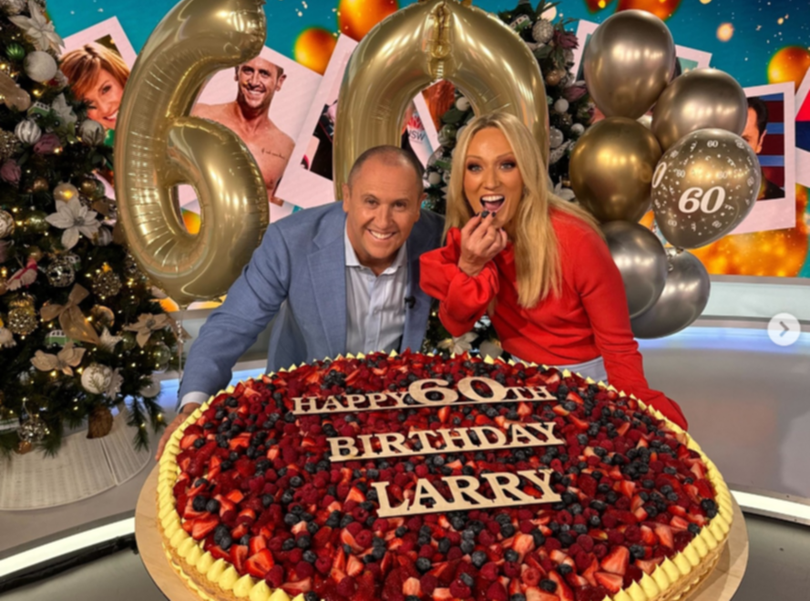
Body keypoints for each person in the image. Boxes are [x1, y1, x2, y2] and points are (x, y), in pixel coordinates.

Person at [156, 145, 444, 458]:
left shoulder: (439, 238)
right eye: (370, 201)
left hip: (398, 417)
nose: (384, 220)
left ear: (419, 205)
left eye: (399, 205)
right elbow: (231, 325)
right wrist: (192, 407)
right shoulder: (290, 241)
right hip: (304, 415)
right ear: (347, 197)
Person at [419, 112, 688, 429]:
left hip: (588, 384)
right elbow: (453, 324)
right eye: (475, 167)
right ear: (463, 179)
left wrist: (647, 420)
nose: (490, 181)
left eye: (507, 164)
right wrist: (470, 266)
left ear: (527, 172)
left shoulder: (577, 240)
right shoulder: (471, 236)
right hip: (520, 382)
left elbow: (618, 349)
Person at [193, 55, 295, 207]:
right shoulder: (200, 115)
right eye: (247, 71)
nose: (254, 82)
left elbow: (278, 213)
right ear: (236, 73)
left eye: (264, 73)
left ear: (279, 82)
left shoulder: (286, 148)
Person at [61, 42, 129, 140]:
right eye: (87, 103)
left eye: (105, 90)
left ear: (121, 77)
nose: (104, 109)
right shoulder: (106, 150)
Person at [742, 97, 784, 201]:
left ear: (760, 141)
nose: (732, 149)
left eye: (745, 140)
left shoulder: (779, 201)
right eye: (727, 137)